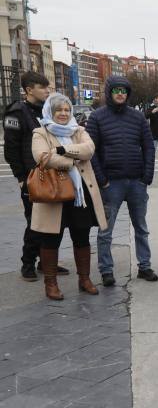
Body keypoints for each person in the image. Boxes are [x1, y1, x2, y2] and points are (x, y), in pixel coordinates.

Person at [30, 94, 107, 300]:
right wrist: (71, 161)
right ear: (50, 112)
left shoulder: (79, 130)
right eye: (58, 110)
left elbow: (89, 150)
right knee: (50, 240)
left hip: (79, 194)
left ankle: (84, 279)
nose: (63, 114)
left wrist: (62, 150)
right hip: (53, 194)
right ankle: (51, 284)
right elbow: (43, 157)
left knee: (81, 237)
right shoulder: (40, 132)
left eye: (66, 110)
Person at [87, 76, 157, 287]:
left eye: (124, 91)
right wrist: (102, 180)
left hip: (136, 181)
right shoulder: (97, 117)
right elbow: (91, 152)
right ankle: (106, 270)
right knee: (105, 230)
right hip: (111, 183)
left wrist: (146, 177)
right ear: (109, 92)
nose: (120, 94)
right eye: (116, 90)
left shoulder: (137, 117)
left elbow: (149, 147)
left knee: (141, 227)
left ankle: (144, 266)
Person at [4, 71, 70, 281]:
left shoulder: (47, 111)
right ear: (29, 90)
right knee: (35, 222)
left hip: (53, 173)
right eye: (42, 87)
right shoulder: (16, 113)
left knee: (56, 222)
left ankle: (46, 261)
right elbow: (11, 150)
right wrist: (21, 177)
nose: (47, 91)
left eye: (47, 87)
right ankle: (28, 264)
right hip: (32, 175)